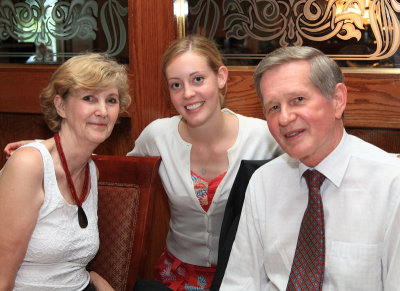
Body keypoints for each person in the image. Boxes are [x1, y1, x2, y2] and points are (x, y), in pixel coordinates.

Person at [3, 35, 282, 290]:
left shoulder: (266, 137)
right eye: (176, 84)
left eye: (198, 79)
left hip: (244, 277)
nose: (188, 93)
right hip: (176, 277)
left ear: (221, 77)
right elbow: (113, 168)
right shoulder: (158, 135)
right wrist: (45, 149)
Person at [219, 46, 400, 290]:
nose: (284, 118)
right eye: (273, 107)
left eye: (298, 100)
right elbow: (240, 282)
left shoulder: (391, 184)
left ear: (337, 100)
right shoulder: (264, 182)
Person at [0, 53, 131, 290]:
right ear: (61, 106)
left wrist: (97, 281)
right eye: (89, 98)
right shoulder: (29, 166)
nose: (103, 110)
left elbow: (70, 266)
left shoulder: (91, 170)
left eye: (111, 100)